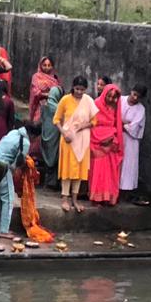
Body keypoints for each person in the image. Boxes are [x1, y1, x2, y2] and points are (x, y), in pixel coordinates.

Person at [55, 76, 96, 213]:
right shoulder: (65, 100)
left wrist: (85, 125)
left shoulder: (88, 101)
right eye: (77, 89)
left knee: (79, 170)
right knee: (67, 170)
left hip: (83, 139)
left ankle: (75, 199)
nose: (79, 92)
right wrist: (64, 133)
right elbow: (56, 120)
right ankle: (65, 199)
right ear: (73, 87)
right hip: (68, 139)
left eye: (82, 90)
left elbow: (94, 121)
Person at [0, 123, 30, 236]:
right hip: (3, 168)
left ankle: (2, 228)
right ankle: (3, 231)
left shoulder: (13, 133)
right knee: (9, 199)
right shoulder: (26, 142)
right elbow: (17, 164)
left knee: (1, 199)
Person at [89, 84, 123, 206]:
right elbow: (92, 123)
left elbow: (117, 124)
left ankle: (108, 197)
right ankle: (97, 198)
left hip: (111, 141)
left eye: (114, 97)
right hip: (97, 141)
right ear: (104, 94)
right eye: (109, 96)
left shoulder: (116, 105)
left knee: (111, 171)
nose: (111, 99)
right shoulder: (97, 103)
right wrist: (101, 138)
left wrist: (112, 138)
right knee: (98, 171)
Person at [120, 85, 148, 201]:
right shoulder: (120, 100)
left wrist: (123, 124)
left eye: (138, 96)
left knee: (128, 165)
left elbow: (134, 126)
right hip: (117, 136)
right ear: (131, 91)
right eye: (134, 94)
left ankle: (125, 193)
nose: (135, 98)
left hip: (131, 140)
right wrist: (124, 123)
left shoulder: (141, 109)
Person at [39, 85, 64, 190]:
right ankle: (52, 183)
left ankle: (47, 181)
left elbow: (42, 119)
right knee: (55, 158)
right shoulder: (59, 107)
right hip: (55, 135)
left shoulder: (44, 105)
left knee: (46, 159)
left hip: (45, 134)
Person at [29, 55, 62, 127]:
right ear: (40, 65)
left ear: (52, 66)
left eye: (49, 65)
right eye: (44, 65)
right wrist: (47, 95)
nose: (47, 67)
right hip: (39, 106)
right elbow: (35, 92)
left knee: (50, 127)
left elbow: (59, 91)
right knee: (38, 127)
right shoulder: (36, 76)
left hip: (52, 106)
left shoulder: (55, 78)